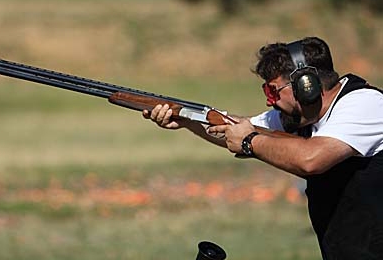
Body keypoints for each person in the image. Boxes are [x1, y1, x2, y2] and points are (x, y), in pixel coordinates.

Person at [144, 37, 383, 260]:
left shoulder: (364, 103)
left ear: (306, 86)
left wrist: (249, 142)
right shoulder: (303, 117)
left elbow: (312, 159)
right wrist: (188, 120)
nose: (271, 101)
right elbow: (235, 128)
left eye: (274, 91)